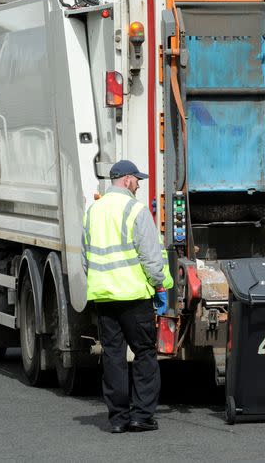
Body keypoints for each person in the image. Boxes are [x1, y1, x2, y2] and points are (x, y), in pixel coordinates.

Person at [82, 159, 173, 434]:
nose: (139, 184)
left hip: (105, 297)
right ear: (126, 180)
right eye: (137, 179)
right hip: (134, 296)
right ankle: (141, 416)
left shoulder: (93, 211)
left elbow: (86, 256)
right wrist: (159, 286)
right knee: (144, 353)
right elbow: (149, 255)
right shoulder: (135, 210)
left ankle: (118, 419)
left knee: (113, 356)